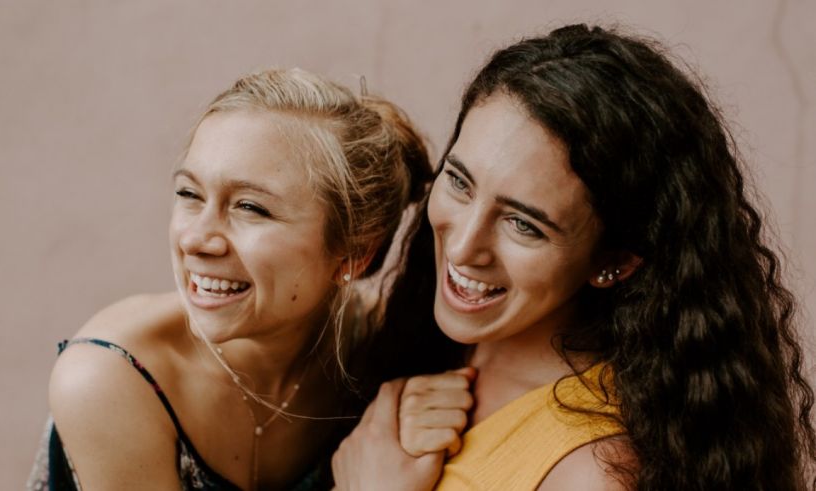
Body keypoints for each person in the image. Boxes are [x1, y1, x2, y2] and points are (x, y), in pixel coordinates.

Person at [332, 24, 816, 490]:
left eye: (523, 224)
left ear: (616, 262)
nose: (462, 248)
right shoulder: (420, 343)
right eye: (459, 181)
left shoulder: (594, 473)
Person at [26, 68, 438, 491]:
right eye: (190, 194)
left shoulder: (378, 347)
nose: (196, 240)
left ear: (353, 253)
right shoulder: (109, 378)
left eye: (250, 207)